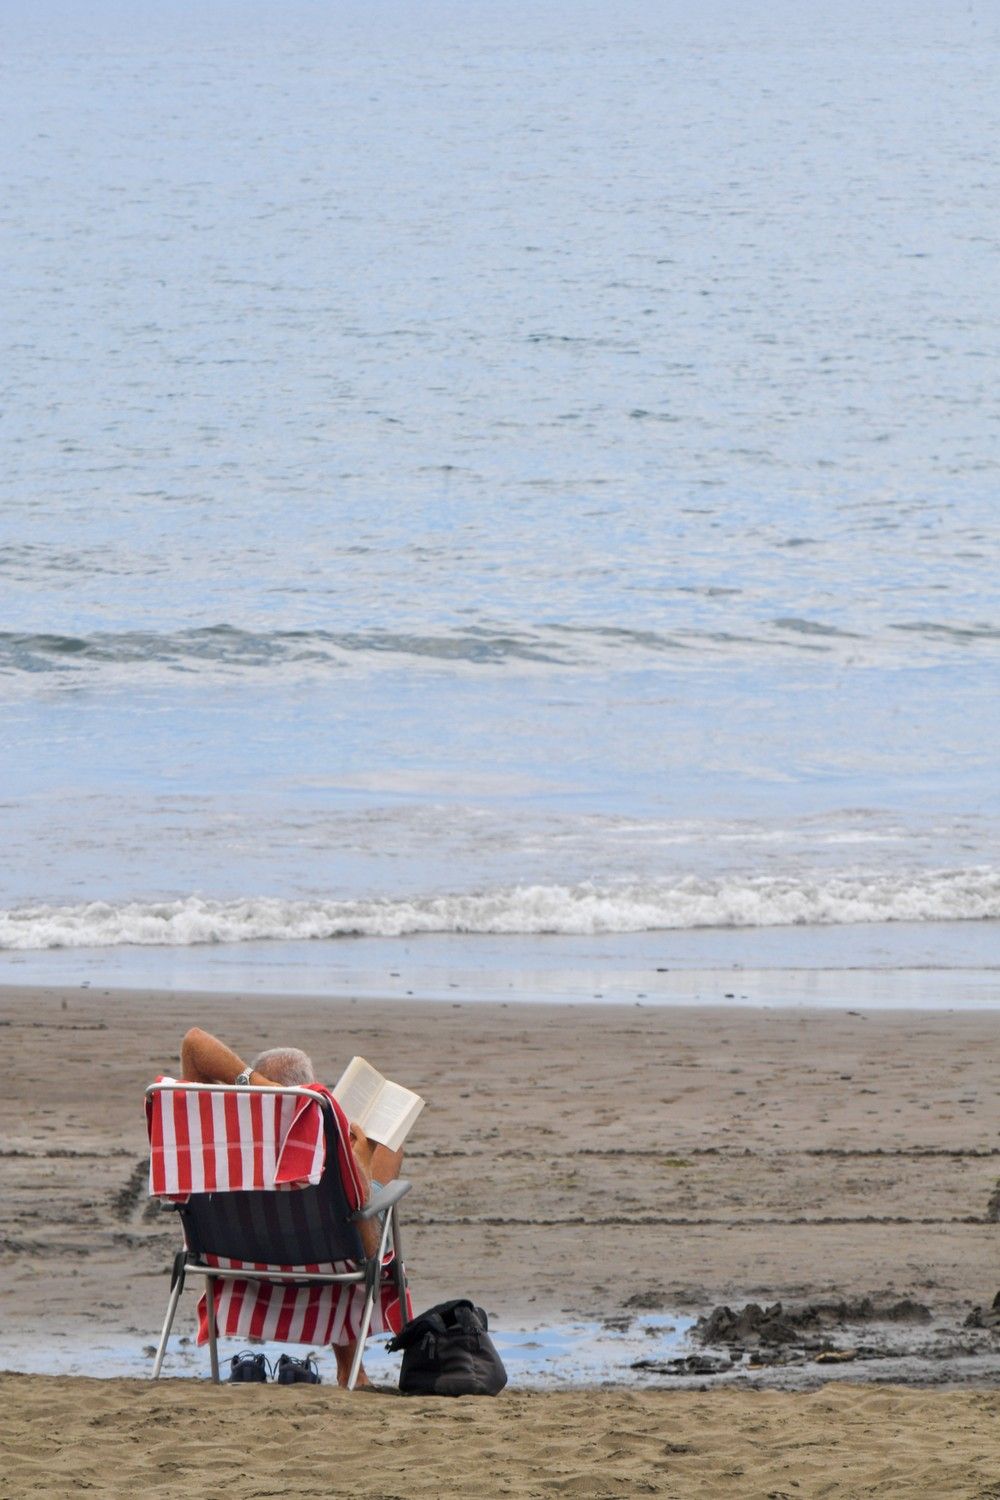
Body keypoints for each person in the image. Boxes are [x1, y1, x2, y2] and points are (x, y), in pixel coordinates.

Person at [179, 1026, 404, 1387]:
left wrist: (260, 1089)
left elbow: (193, 1043)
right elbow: (365, 1242)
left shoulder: (221, 1135)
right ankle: (352, 1370)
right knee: (386, 1152)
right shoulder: (325, 1143)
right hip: (326, 1256)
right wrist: (360, 1167)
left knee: (338, 1213)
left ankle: (353, 1370)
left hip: (234, 1251)